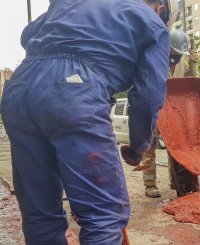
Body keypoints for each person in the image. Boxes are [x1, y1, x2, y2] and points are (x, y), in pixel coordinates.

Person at [0, 0, 179, 244]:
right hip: (72, 91)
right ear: (161, 9)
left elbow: (28, 34)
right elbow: (148, 98)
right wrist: (138, 147)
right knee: (103, 216)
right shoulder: (153, 25)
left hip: (19, 91)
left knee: (40, 214)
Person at [141, 28, 190, 198]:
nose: (177, 56)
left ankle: (175, 180)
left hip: (173, 109)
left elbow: (187, 84)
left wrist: (194, 64)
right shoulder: (154, 58)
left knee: (174, 146)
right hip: (154, 107)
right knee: (149, 146)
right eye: (175, 52)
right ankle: (150, 184)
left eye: (180, 53)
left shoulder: (182, 61)